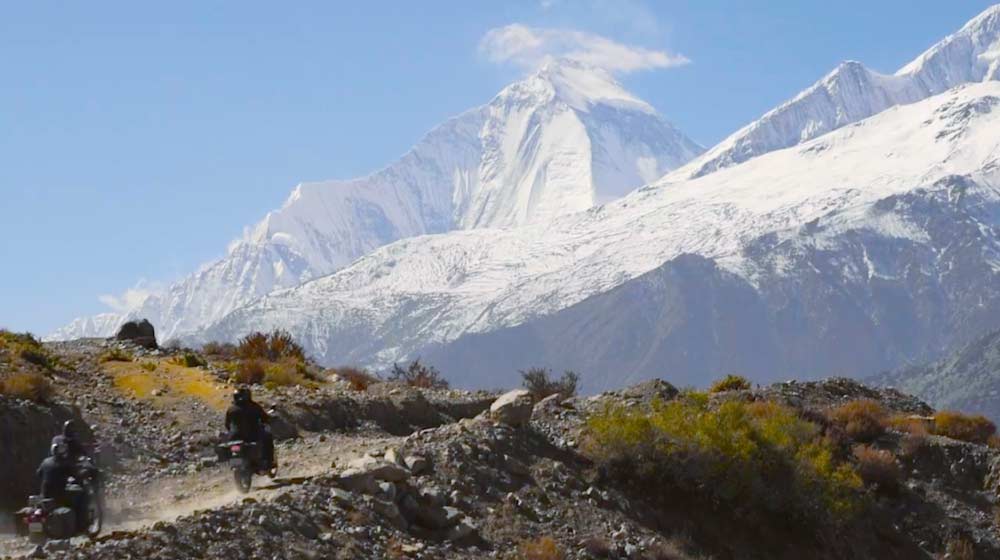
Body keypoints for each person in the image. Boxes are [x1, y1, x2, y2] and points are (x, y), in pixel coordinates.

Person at [224, 387, 276, 474]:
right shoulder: (254, 407)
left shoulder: (231, 409)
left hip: (234, 437)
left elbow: (227, 424)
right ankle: (268, 462)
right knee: (268, 437)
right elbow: (264, 418)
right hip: (252, 435)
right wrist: (269, 419)